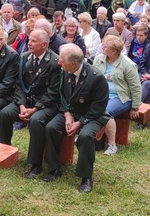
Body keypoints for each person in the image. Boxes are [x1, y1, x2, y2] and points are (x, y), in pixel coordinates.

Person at [29, 44, 109, 193]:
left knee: (85, 136)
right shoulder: (65, 71)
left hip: (92, 116)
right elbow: (62, 95)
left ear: (73, 63)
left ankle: (86, 177)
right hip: (70, 112)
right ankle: (54, 168)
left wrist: (80, 123)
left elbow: (98, 107)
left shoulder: (96, 78)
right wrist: (67, 114)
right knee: (51, 128)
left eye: (62, 60)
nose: (58, 62)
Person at [0, 29, 60, 145]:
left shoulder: (54, 62)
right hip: (25, 102)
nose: (29, 43)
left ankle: (34, 161)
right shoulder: (24, 57)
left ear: (44, 45)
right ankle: (4, 149)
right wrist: (22, 106)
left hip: (43, 104)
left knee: (35, 120)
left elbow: (52, 92)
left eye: (33, 41)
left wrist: (35, 109)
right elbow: (18, 84)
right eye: (29, 39)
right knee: (5, 114)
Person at [92, 35, 141, 155]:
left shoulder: (128, 64)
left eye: (105, 46)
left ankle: (112, 145)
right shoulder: (99, 59)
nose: (102, 47)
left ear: (114, 51)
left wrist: (135, 107)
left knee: (106, 112)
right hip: (101, 95)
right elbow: (92, 78)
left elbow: (135, 87)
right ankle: (88, 137)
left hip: (120, 97)